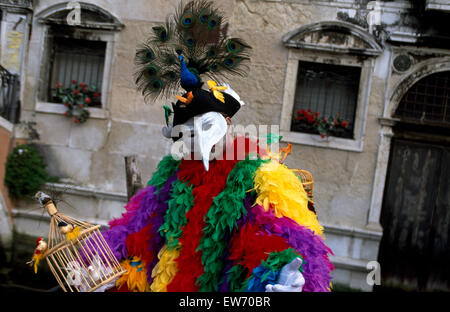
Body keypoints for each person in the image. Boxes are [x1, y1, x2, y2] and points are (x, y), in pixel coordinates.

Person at [101, 0, 334, 292]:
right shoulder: (173, 174)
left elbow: (278, 233)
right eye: (186, 134)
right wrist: (100, 257)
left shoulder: (261, 176)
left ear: (227, 122)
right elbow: (139, 226)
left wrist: (280, 274)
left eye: (204, 127)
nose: (196, 141)